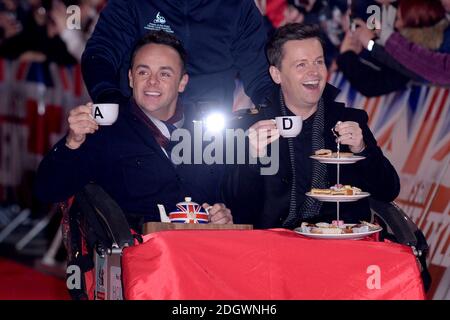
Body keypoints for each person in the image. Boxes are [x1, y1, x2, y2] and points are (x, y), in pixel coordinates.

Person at [35, 31, 233, 231]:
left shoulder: (207, 130)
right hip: (135, 253)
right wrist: (72, 143)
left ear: (182, 82)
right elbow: (47, 190)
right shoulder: (106, 130)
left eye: (164, 74)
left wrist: (222, 215)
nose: (152, 82)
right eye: (143, 72)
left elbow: (229, 197)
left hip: (200, 250)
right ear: (130, 78)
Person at [223, 23, 400, 229]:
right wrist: (251, 158)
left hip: (341, 246)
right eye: (301, 65)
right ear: (276, 74)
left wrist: (363, 151)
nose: (314, 72)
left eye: (318, 62)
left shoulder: (347, 120)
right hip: (274, 250)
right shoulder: (251, 128)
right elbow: (235, 209)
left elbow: (389, 191)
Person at [81, 0, 273, 116]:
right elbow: (100, 53)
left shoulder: (238, 6)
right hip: (141, 123)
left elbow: (260, 74)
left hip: (211, 130)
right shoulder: (132, 3)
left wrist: (275, 109)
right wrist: (109, 96)